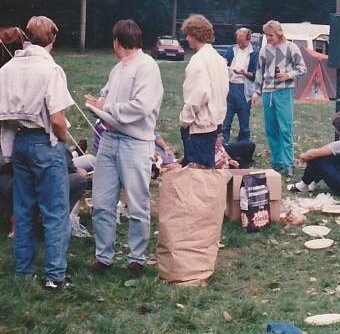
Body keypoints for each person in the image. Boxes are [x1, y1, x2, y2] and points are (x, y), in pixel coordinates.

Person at [85, 19, 163, 279]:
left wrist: (106, 108)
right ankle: (103, 256)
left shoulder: (147, 67)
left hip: (135, 144)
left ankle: (136, 259)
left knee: (137, 203)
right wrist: (98, 103)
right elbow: (106, 95)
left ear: (117, 42)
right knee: (102, 202)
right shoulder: (118, 68)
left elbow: (141, 106)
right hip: (108, 141)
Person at [0, 16, 74, 290]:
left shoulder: (7, 69)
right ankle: (55, 277)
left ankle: (23, 272)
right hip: (45, 142)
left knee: (23, 209)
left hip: (19, 142)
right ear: (53, 39)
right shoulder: (50, 70)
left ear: (29, 37)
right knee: (55, 211)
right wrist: (63, 139)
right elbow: (56, 118)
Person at [252, 20, 306, 177]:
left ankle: (289, 164)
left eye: (271, 35)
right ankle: (277, 163)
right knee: (271, 129)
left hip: (283, 91)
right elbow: (260, 72)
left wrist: (288, 75)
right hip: (268, 92)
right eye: (266, 35)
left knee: (285, 128)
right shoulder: (264, 50)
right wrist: (256, 92)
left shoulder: (291, 47)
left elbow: (302, 69)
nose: (268, 38)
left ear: (279, 33)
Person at [179, 14, 229, 168]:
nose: (187, 38)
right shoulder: (219, 59)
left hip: (200, 126)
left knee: (197, 174)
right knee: (208, 169)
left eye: (188, 34)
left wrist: (184, 120)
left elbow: (198, 95)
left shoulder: (198, 61)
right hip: (215, 122)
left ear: (195, 35)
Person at [287, 111, 340, 196]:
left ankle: (303, 186)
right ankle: (312, 182)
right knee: (328, 155)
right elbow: (325, 149)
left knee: (317, 160)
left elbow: (312, 155)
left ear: (337, 130)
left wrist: (303, 156)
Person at [222, 27, 259, 143]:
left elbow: (255, 75)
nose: (239, 44)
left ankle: (242, 146)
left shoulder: (254, 53)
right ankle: (223, 146)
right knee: (225, 120)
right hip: (229, 87)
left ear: (248, 40)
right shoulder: (231, 49)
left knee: (244, 123)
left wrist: (244, 72)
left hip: (244, 89)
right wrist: (223, 63)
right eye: (238, 41)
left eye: (242, 42)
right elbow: (224, 61)